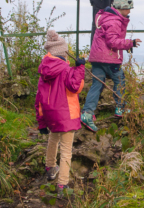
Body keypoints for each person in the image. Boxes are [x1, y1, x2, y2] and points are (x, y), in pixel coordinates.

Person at [81, 0, 141, 132]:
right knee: (119, 81)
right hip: (109, 58)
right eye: (128, 8)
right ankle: (120, 108)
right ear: (121, 7)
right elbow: (112, 41)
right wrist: (129, 43)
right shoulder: (115, 21)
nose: (130, 11)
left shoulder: (106, 17)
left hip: (97, 58)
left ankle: (87, 113)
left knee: (97, 84)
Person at [35, 29, 86, 196]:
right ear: (63, 52)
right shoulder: (65, 69)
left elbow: (39, 98)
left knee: (53, 138)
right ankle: (62, 184)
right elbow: (75, 87)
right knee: (66, 150)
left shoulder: (43, 72)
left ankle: (50, 167)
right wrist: (80, 68)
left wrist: (41, 122)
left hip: (51, 116)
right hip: (67, 115)